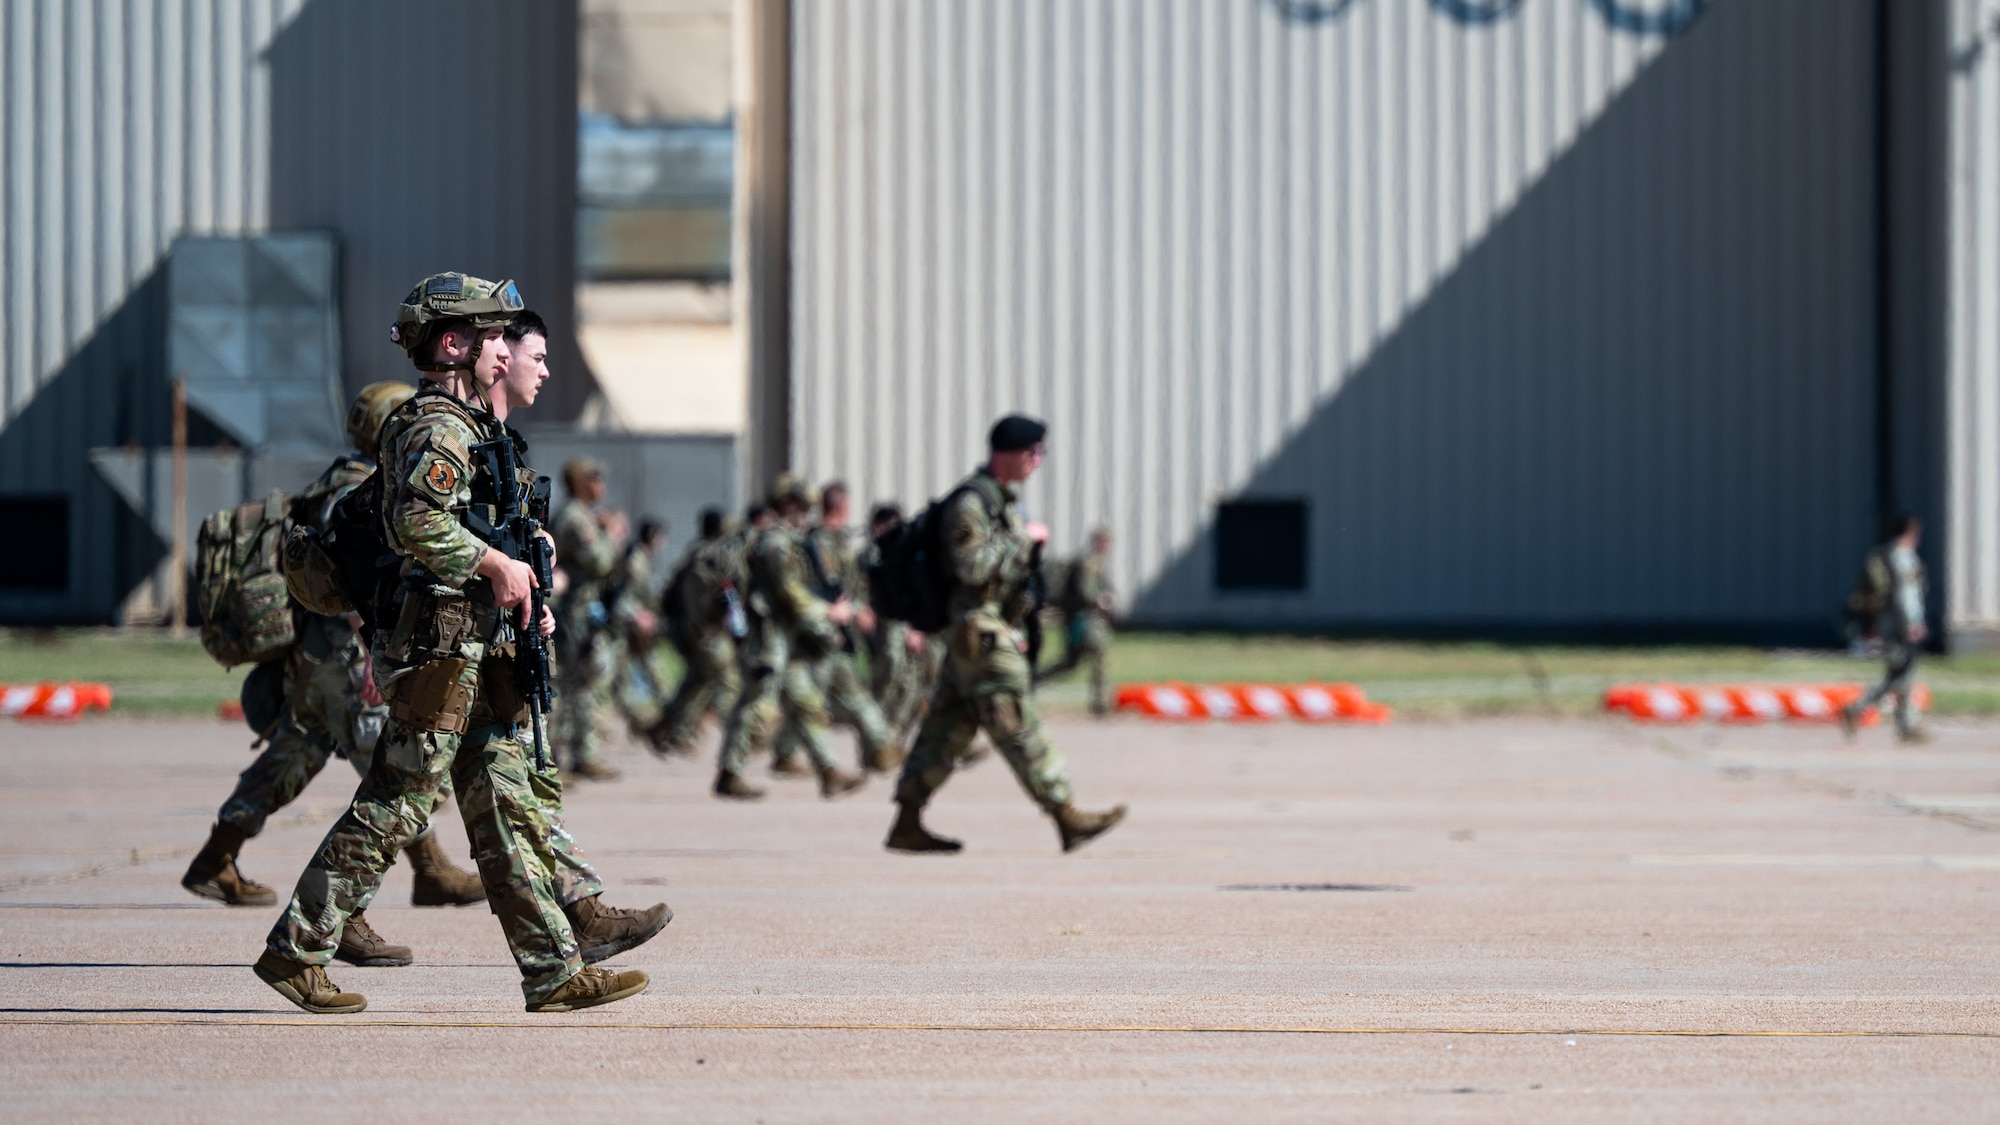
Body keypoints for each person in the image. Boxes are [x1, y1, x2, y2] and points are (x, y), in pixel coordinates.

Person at [253, 275, 653, 1015]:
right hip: (435, 650)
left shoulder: (473, 428)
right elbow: (416, 525)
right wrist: (495, 564)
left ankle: (553, 970)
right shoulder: (435, 426)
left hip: (474, 646)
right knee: (399, 801)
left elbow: (483, 525)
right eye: (492, 335)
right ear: (453, 343)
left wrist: (525, 575)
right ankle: (295, 948)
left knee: (502, 798)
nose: (505, 348)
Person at [182, 381, 485, 970]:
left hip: (317, 658)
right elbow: (353, 575)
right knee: (398, 769)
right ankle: (368, 902)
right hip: (343, 656)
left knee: (292, 757)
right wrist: (370, 659)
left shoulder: (335, 479)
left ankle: (215, 856)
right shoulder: (355, 487)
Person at [886, 415, 1127, 854]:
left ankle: (907, 818)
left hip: (979, 633)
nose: (1039, 461)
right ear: (1011, 453)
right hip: (982, 634)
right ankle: (1065, 814)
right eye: (1035, 452)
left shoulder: (998, 502)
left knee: (947, 728)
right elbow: (971, 566)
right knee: (1019, 723)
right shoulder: (972, 504)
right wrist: (1024, 541)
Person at [710, 475, 869, 801]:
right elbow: (790, 593)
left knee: (807, 702)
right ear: (791, 506)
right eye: (805, 509)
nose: (809, 517)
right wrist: (829, 613)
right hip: (767, 641)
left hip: (785, 641)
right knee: (755, 705)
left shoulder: (784, 541)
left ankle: (829, 772)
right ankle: (729, 773)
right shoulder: (776, 543)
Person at [770, 483, 906, 776]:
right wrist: (852, 610)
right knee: (827, 696)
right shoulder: (823, 542)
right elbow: (832, 588)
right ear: (842, 506)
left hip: (827, 628)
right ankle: (878, 748)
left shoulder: (816, 539)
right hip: (826, 629)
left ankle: (879, 747)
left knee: (833, 694)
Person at [550, 457, 638, 781]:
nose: (601, 484)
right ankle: (554, 758)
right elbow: (600, 562)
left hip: (586, 609)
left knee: (584, 682)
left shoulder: (584, 516)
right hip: (574, 610)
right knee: (567, 682)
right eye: (594, 478)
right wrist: (612, 534)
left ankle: (583, 753)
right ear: (578, 482)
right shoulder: (575, 519)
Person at [649, 507, 745, 756]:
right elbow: (706, 598)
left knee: (697, 682)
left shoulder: (695, 552)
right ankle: (741, 737)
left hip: (691, 630)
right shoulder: (712, 556)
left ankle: (667, 727)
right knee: (728, 681)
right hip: (706, 632)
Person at [1840, 513, 1931, 744]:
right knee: (1899, 674)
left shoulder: (1892, 556)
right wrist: (1912, 624)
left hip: (1893, 622)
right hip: (1898, 624)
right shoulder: (1900, 559)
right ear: (1910, 532)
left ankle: (1907, 726)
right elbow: (1904, 597)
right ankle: (1858, 708)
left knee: (1903, 673)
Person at [861, 504, 938, 742]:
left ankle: (894, 737)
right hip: (882, 629)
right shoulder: (868, 558)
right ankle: (877, 739)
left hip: (906, 626)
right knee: (888, 678)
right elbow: (858, 591)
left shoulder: (906, 557)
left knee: (913, 684)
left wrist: (918, 628)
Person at [1038, 526, 1117, 717]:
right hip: (1084, 620)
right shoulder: (1089, 563)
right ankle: (1099, 705)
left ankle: (1034, 680)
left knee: (1070, 663)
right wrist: (1101, 599)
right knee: (1099, 653)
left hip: (1078, 620)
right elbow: (1087, 593)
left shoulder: (1095, 562)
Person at [610, 518, 669, 734]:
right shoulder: (636, 561)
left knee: (649, 669)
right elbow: (624, 597)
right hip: (627, 626)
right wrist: (639, 615)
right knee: (620, 676)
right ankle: (641, 719)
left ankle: (663, 718)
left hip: (634, 625)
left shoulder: (642, 558)